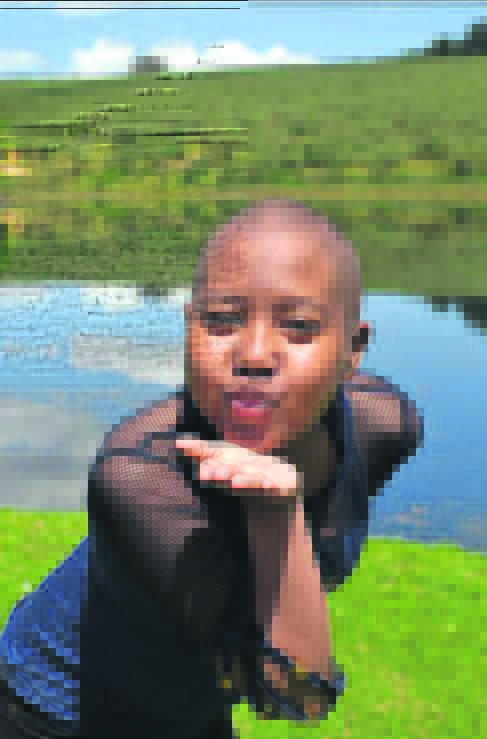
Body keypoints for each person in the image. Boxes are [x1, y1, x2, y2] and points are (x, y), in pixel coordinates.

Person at [0, 199, 424, 738]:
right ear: (189, 327)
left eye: (298, 326)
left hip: (192, 698)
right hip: (57, 709)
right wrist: (275, 513)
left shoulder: (382, 425)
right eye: (221, 320)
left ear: (352, 349)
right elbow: (294, 695)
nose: (254, 354)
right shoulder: (141, 473)